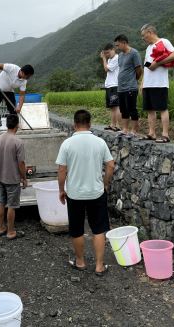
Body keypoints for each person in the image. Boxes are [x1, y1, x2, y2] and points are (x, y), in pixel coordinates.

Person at [56, 110, 115, 276]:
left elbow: (61, 170)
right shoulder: (99, 142)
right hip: (96, 192)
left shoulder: (67, 144)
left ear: (74, 124)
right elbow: (110, 165)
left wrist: (62, 190)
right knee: (98, 229)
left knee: (77, 229)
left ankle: (80, 262)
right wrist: (105, 183)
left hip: (74, 194)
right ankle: (99, 266)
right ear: (89, 124)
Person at [140, 24, 174, 143]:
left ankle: (165, 134)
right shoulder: (149, 48)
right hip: (148, 83)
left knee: (162, 108)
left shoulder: (164, 41)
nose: (143, 38)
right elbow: (146, 66)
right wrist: (142, 83)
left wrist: (157, 64)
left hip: (159, 83)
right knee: (150, 109)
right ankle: (151, 133)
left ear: (150, 32)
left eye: (144, 35)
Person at [0, 114, 26, 239]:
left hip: (0, 176)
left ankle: (1, 227)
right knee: (12, 206)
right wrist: (24, 178)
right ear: (17, 125)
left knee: (1, 203)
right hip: (12, 178)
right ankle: (11, 231)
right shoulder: (18, 142)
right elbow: (21, 163)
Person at [0, 63, 35, 129]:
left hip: (9, 91)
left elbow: (22, 95)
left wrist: (19, 107)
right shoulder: (12, 68)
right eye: (27, 76)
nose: (28, 78)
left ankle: (14, 128)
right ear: (22, 72)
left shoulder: (24, 81)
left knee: (13, 110)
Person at [114, 34, 143, 138]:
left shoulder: (134, 53)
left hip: (130, 86)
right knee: (123, 109)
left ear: (124, 43)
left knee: (132, 108)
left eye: (118, 45)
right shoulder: (120, 55)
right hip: (121, 87)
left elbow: (139, 70)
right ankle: (125, 129)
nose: (117, 48)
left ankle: (134, 130)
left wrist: (134, 80)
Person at [100, 43, 120, 131]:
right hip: (109, 85)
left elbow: (106, 69)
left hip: (115, 85)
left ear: (113, 50)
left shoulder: (117, 58)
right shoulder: (110, 60)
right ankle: (112, 124)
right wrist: (106, 59)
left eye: (108, 52)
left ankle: (118, 125)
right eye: (105, 53)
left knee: (116, 106)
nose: (107, 55)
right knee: (112, 107)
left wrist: (104, 59)